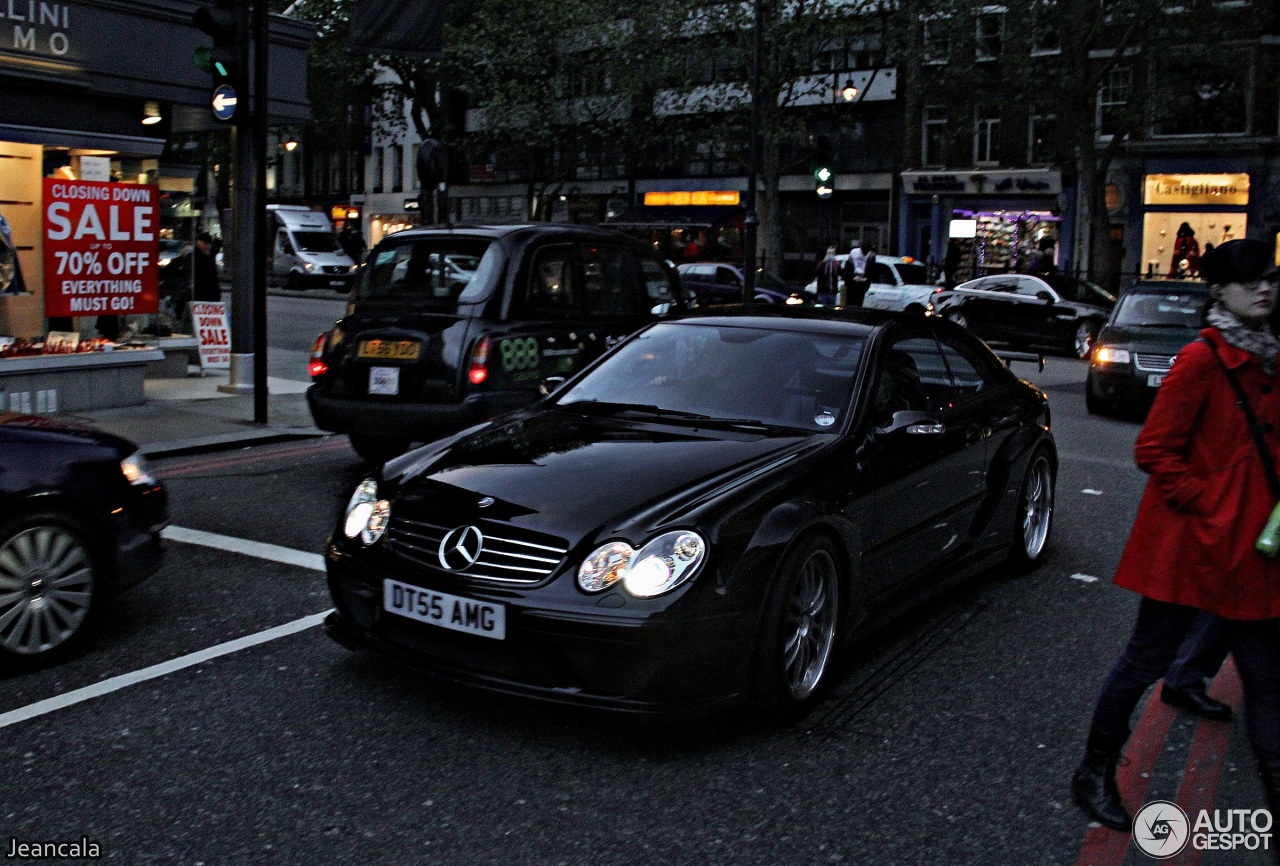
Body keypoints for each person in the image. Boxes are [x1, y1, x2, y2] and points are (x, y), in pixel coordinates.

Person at [1070, 239, 1280, 839]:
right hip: (1190, 547)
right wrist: (1214, 503)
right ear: (1219, 291)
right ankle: (1094, 771)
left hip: (1255, 552)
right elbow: (1154, 451)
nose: (1263, 288)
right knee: (1144, 661)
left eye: (1268, 277)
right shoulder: (1201, 360)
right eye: (1247, 280)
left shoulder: (1271, 358)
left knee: (1268, 683)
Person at [193, 231, 220, 303]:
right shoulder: (198, 256)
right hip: (202, 290)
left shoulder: (205, 255)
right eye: (205, 243)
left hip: (206, 291)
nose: (207, 246)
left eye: (208, 244)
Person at [844, 239, 872, 306]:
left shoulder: (869, 256)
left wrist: (865, 281)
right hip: (852, 285)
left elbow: (870, 272)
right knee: (850, 303)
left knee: (858, 303)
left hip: (861, 286)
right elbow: (847, 271)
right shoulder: (854, 254)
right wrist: (853, 278)